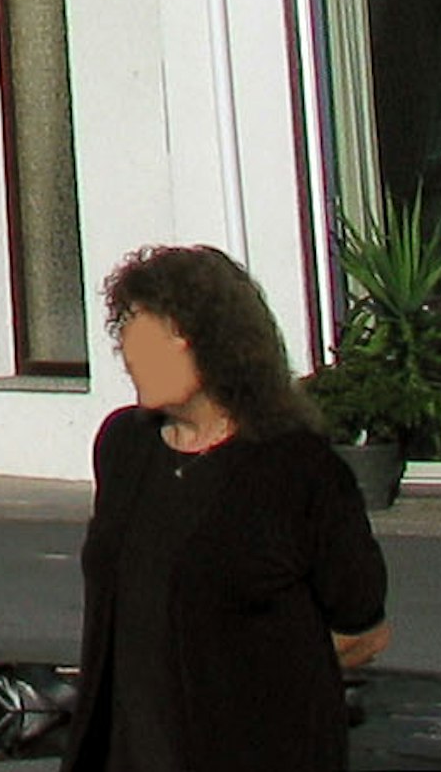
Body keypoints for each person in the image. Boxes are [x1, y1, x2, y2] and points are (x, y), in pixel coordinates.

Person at [68, 242, 389, 772]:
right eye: (126, 326)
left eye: (153, 328)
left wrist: (257, 673)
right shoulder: (125, 446)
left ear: (213, 344)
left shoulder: (297, 470)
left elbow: (363, 627)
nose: (129, 347)